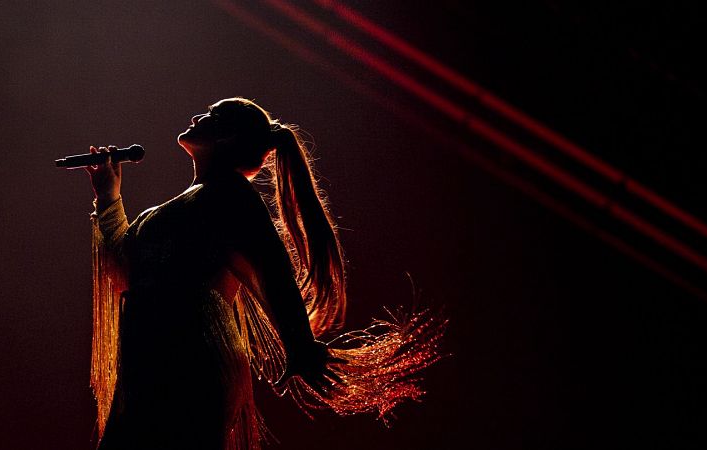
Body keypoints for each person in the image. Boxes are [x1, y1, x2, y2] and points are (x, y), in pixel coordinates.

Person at [84, 97, 445, 450]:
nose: (198, 116)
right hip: (151, 358)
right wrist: (108, 195)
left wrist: (300, 344)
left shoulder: (232, 194)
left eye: (212, 114)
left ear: (227, 136)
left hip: (188, 358)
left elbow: (275, 272)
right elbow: (125, 268)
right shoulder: (184, 204)